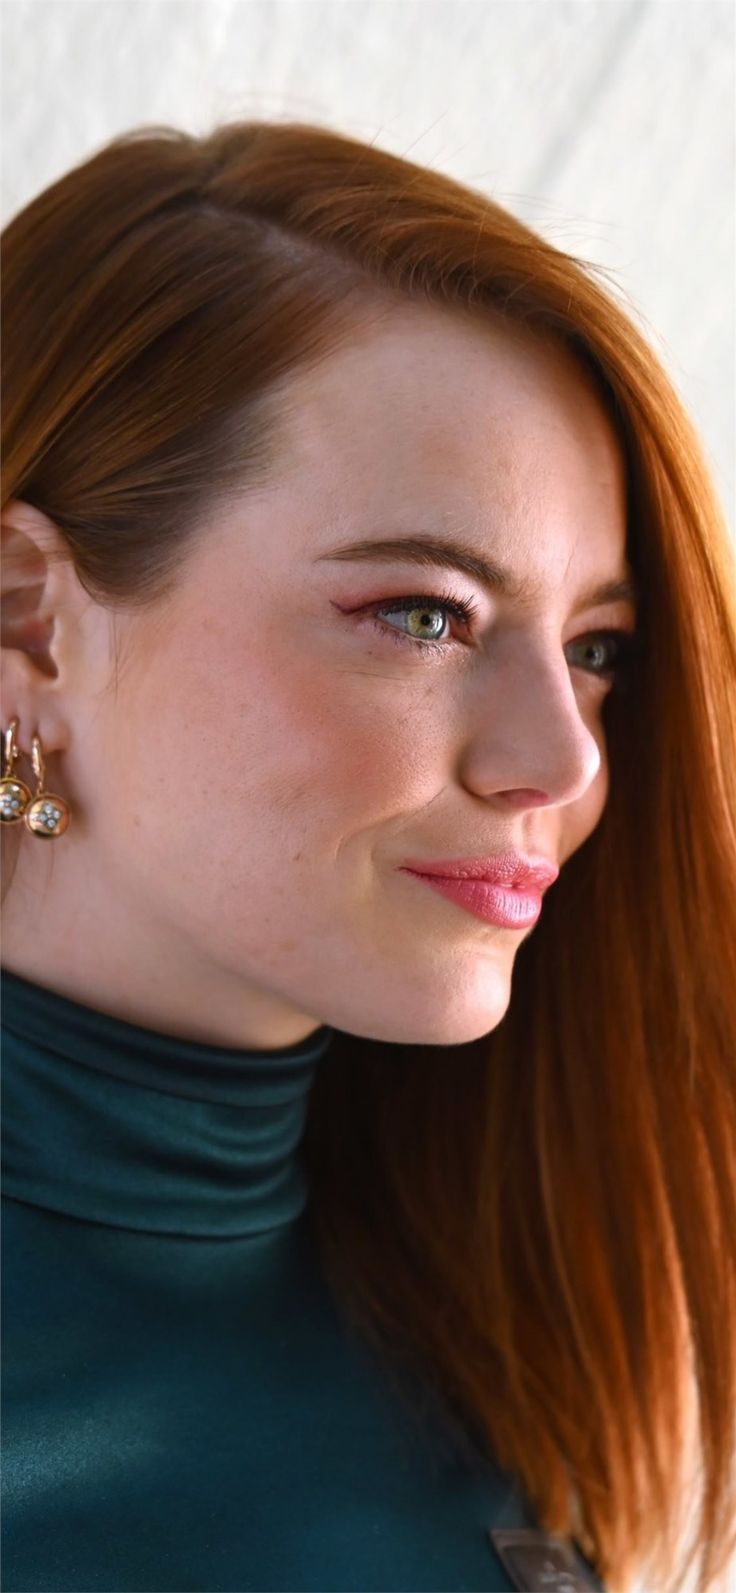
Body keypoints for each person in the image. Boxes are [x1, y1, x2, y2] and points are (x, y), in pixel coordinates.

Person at [2, 118, 735, 1593]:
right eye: (425, 615)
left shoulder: (503, 1324)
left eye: (597, 648)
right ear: (31, 622)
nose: (569, 757)